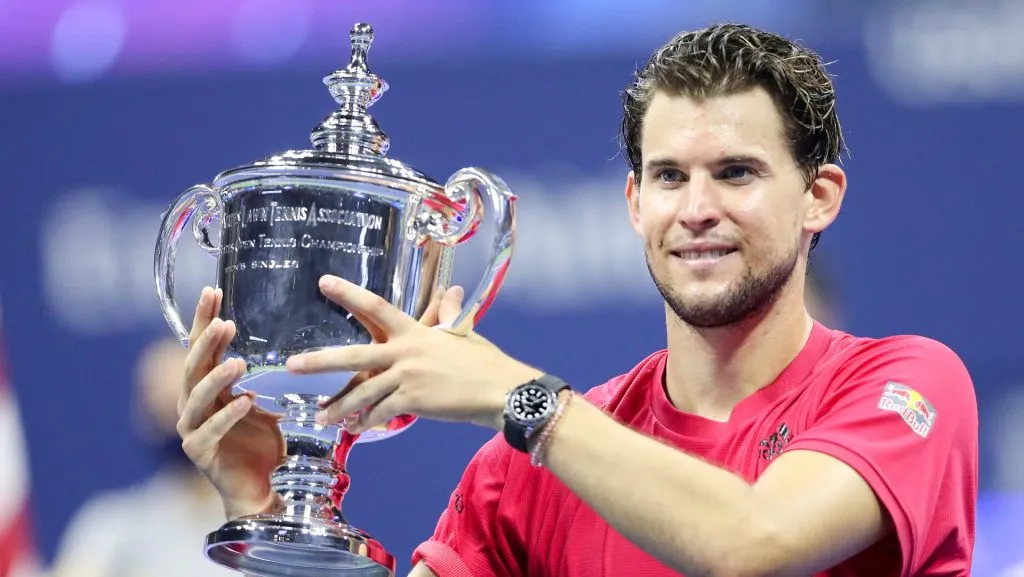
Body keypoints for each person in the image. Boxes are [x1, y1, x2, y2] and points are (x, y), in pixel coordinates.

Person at [176, 23, 978, 576]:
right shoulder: (529, 466)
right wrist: (271, 506)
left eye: (736, 172)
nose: (696, 208)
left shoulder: (907, 386)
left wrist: (520, 400)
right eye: (669, 176)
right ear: (634, 202)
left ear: (819, 196)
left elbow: (753, 542)